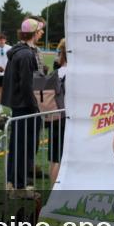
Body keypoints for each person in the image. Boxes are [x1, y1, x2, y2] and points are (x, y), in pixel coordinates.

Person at [0, 18, 46, 193]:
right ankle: (19, 185)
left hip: (19, 105)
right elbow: (27, 85)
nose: (41, 33)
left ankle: (13, 181)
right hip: (26, 106)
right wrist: (35, 107)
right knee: (24, 147)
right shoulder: (26, 54)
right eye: (39, 30)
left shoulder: (18, 52)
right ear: (33, 33)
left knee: (17, 145)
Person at [45, 38, 67, 184]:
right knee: (60, 158)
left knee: (54, 158)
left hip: (54, 116)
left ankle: (53, 191)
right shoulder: (73, 73)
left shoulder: (56, 72)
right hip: (66, 118)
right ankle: (57, 193)